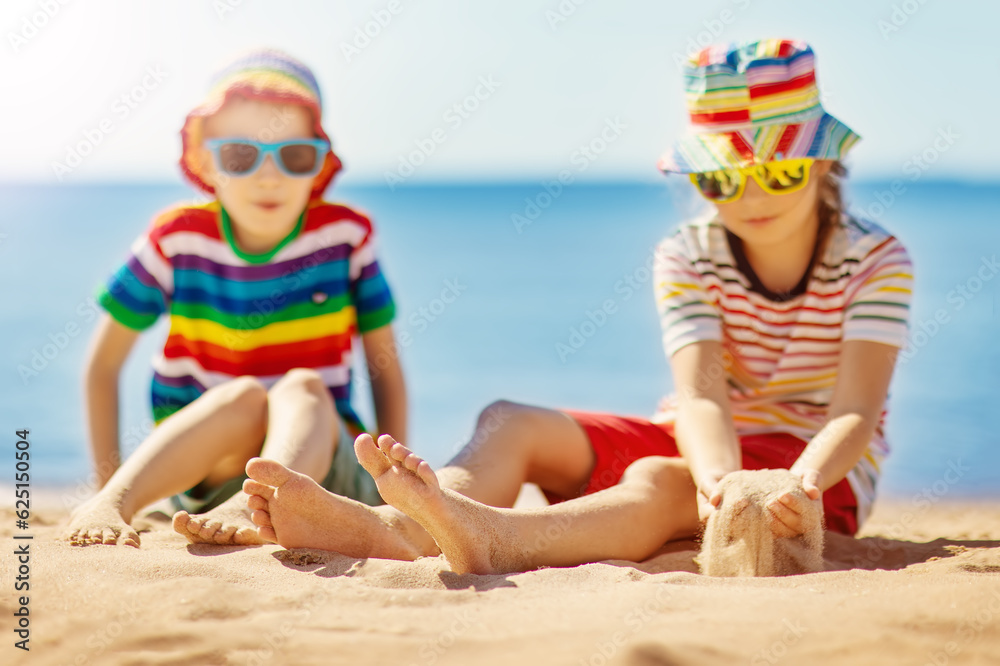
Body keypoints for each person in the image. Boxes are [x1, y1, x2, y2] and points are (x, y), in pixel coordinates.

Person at [241, 38, 914, 573]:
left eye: (781, 170)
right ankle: (407, 524)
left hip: (814, 474)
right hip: (709, 446)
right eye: (720, 178)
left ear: (825, 163)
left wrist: (782, 486)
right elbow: (702, 398)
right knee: (510, 421)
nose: (750, 198)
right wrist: (720, 480)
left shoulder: (876, 259)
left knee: (660, 480)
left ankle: (501, 540)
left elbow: (854, 411)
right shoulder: (688, 253)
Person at [61, 49, 406, 548]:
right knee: (242, 396)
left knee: (304, 387)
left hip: (323, 472)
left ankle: (259, 504)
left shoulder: (346, 238)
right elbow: (103, 366)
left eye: (295, 156)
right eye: (241, 156)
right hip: (207, 468)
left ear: (319, 163)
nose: (270, 175)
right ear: (205, 159)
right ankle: (117, 499)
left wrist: (395, 487)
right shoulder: (178, 239)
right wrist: (102, 482)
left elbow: (385, 368)